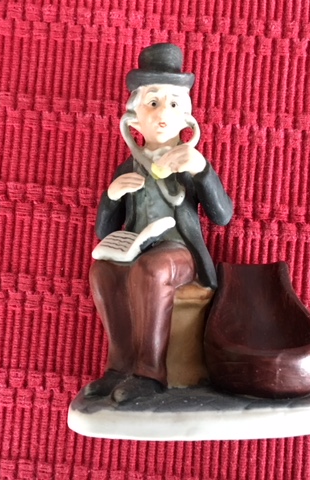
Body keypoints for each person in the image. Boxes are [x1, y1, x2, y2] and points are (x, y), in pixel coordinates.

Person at [86, 43, 233, 404]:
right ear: (134, 119)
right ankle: (119, 367)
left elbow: (222, 215)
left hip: (179, 255)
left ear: (187, 119)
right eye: (152, 102)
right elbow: (105, 231)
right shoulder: (128, 167)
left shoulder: (190, 164)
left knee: (151, 270)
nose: (163, 112)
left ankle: (149, 373)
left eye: (174, 104)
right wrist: (113, 195)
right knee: (103, 272)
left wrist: (202, 170)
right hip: (136, 250)